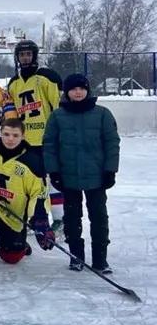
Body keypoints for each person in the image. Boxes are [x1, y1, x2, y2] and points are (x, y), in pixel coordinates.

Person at [43, 73, 120, 274]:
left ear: (87, 90)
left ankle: (100, 260)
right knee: (72, 218)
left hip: (97, 178)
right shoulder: (57, 116)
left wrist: (110, 170)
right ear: (67, 92)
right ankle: (76, 257)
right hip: (68, 177)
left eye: (81, 88)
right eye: (73, 89)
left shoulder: (102, 114)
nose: (78, 92)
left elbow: (112, 143)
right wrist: (53, 171)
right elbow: (49, 145)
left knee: (99, 218)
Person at [0, 118, 54, 266]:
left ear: (23, 136)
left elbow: (39, 194)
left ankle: (19, 243)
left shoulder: (33, 161)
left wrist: (40, 219)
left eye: (15, 135)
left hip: (13, 211)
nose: (10, 139)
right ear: (0, 133)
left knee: (11, 258)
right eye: (6, 134)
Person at [4, 40, 64, 232]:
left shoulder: (47, 77)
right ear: (17, 57)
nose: (25, 58)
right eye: (22, 55)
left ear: (35, 55)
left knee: (53, 181)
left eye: (29, 54)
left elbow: (57, 107)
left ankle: (60, 221)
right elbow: (12, 113)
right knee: (29, 182)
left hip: (46, 140)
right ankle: (34, 217)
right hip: (25, 142)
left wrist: (58, 134)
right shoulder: (13, 83)